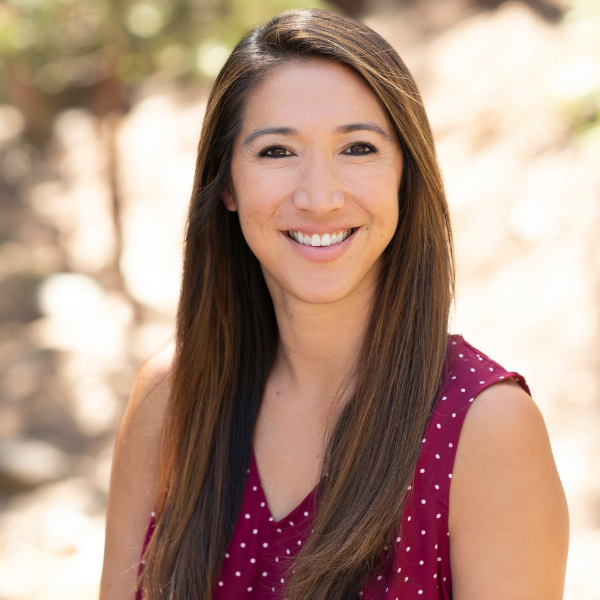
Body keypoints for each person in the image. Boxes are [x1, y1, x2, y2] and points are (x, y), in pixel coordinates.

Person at [99, 8, 569, 600]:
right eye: (276, 152)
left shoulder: (486, 430)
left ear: (406, 175)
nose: (319, 198)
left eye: (358, 148)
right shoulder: (172, 397)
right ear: (226, 186)